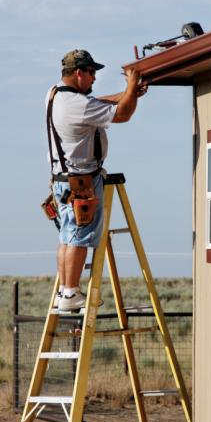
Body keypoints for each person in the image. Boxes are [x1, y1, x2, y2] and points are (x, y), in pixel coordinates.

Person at [46, 49, 147, 311]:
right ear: (79, 72)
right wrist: (131, 88)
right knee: (79, 237)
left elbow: (97, 102)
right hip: (82, 181)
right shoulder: (78, 104)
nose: (94, 78)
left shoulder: (56, 94)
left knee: (67, 237)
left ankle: (62, 292)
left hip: (63, 179)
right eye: (91, 73)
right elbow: (123, 115)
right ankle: (70, 294)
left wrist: (128, 95)